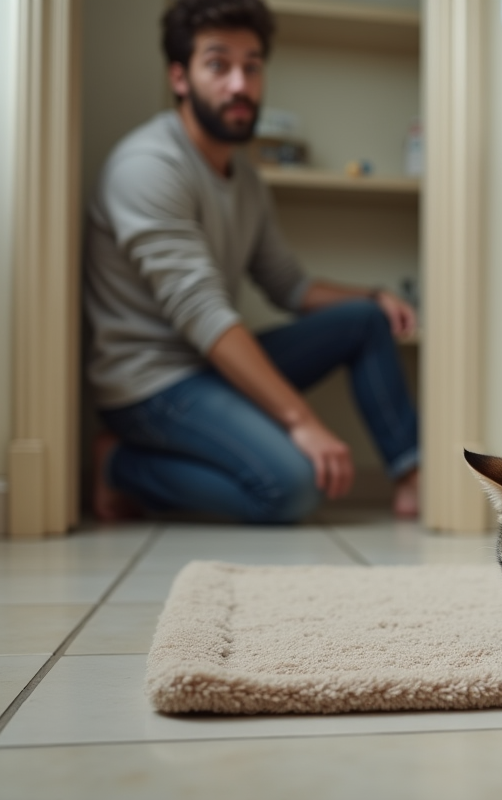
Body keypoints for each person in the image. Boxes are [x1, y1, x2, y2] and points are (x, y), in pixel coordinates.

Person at [84, 0, 420, 524]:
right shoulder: (148, 167)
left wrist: (373, 296)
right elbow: (205, 316)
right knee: (291, 486)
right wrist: (301, 420)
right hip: (150, 384)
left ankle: (412, 477)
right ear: (180, 76)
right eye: (218, 64)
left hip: (209, 365)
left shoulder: (245, 181)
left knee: (365, 320)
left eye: (252, 65)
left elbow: (289, 286)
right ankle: (120, 466)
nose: (239, 84)